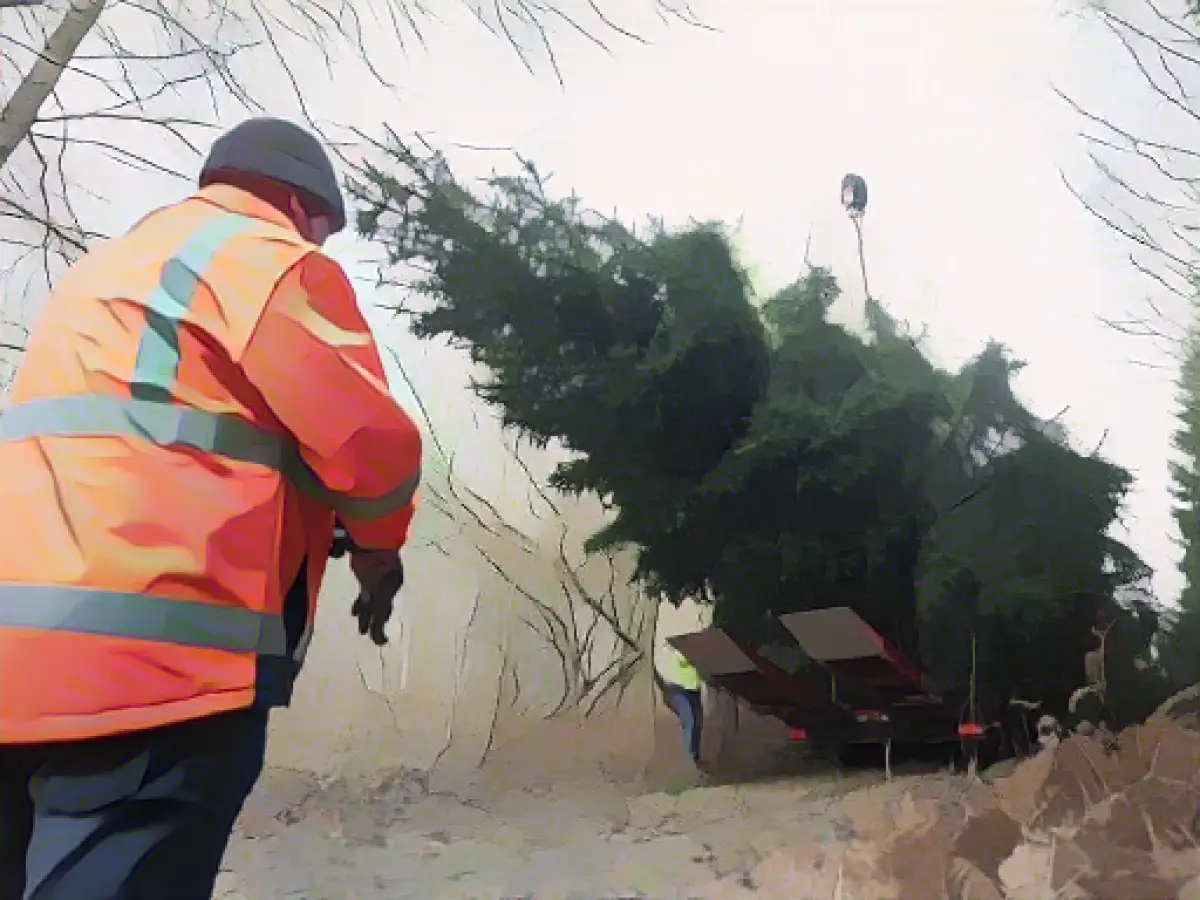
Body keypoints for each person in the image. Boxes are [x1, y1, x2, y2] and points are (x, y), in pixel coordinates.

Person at [0, 117, 423, 900]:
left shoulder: (106, 273)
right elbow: (369, 441)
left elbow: (158, 439)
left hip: (18, 664)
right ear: (303, 205)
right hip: (151, 667)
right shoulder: (265, 258)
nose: (321, 245)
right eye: (325, 228)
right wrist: (376, 548)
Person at [660, 643, 704, 766]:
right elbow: (685, 659)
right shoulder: (680, 653)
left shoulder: (696, 655)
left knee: (698, 723)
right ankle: (688, 760)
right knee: (690, 722)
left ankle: (695, 756)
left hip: (694, 691)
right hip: (679, 690)